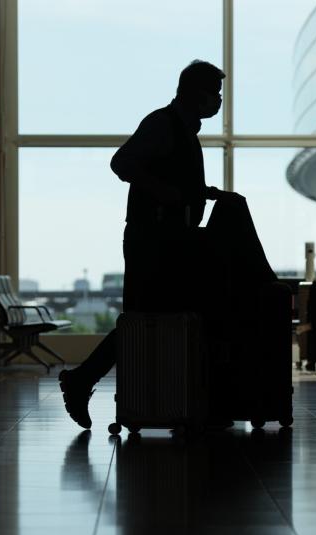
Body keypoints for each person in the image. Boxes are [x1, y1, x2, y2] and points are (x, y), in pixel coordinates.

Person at [58, 60, 230, 429]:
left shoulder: (183, 131)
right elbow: (122, 162)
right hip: (153, 241)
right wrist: (165, 193)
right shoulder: (162, 124)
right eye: (214, 93)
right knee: (143, 321)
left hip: (169, 240)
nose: (217, 101)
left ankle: (158, 398)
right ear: (196, 93)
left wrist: (204, 194)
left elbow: (173, 179)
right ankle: (85, 381)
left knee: (156, 319)